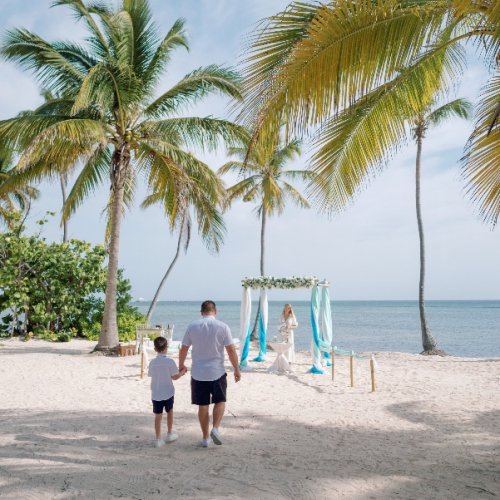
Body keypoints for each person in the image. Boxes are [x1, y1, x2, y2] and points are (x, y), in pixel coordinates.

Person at [179, 300, 241, 448]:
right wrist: (236, 369)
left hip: (198, 372)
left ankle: (206, 438)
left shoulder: (192, 326)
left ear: (201, 312)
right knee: (220, 401)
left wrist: (181, 365)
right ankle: (216, 428)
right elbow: (231, 350)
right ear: (215, 311)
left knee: (203, 405)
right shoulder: (223, 327)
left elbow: (184, 348)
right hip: (217, 371)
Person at [148, 336, 187, 448]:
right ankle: (169, 433)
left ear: (155, 349)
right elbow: (174, 377)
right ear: (166, 348)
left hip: (156, 392)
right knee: (170, 412)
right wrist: (182, 372)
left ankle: (158, 439)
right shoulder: (170, 362)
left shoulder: (152, 363)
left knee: (158, 416)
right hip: (168, 391)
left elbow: (151, 375)